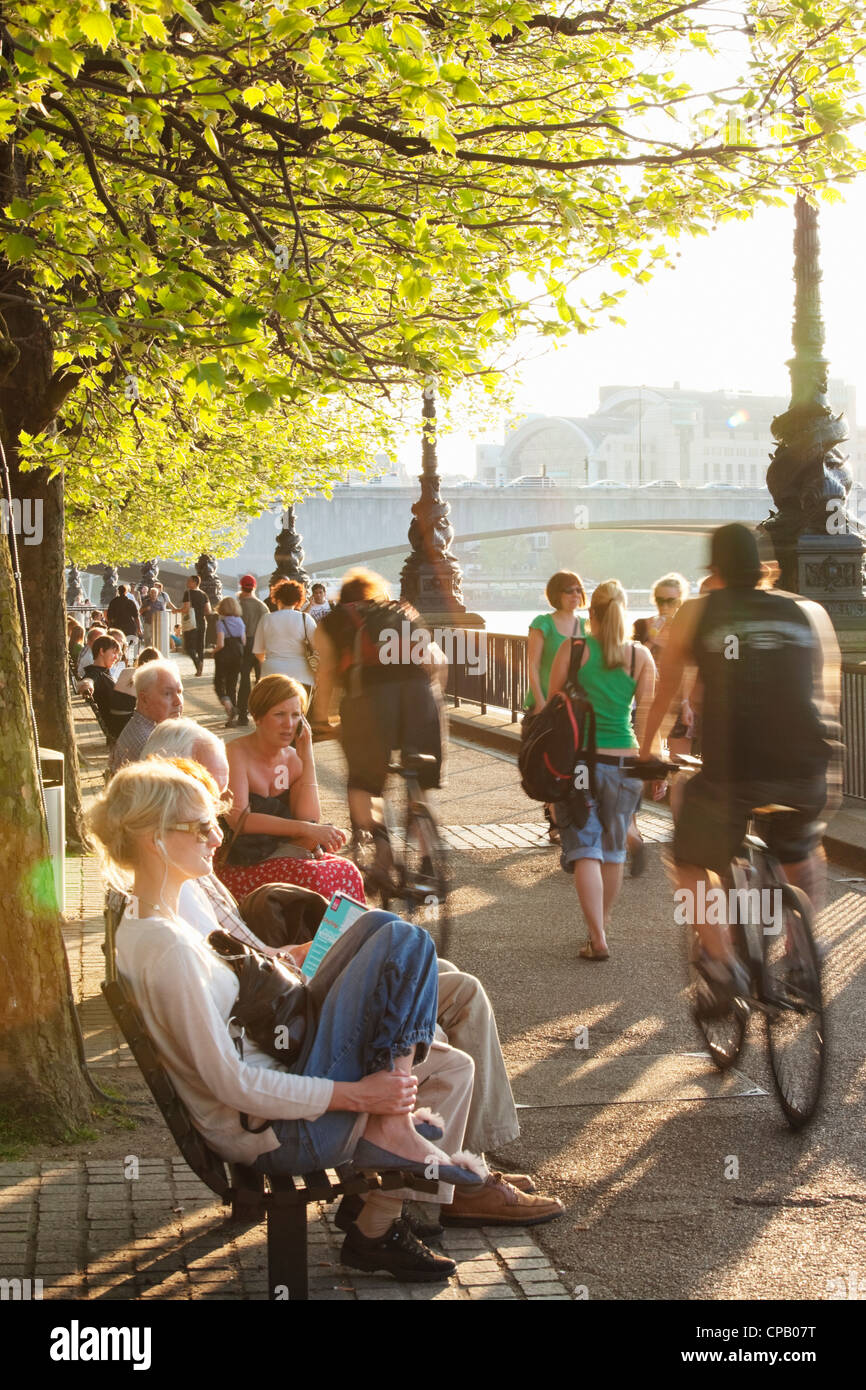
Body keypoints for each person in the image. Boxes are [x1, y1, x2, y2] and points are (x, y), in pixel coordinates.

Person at [143, 717, 564, 1228]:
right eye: (209, 793)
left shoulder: (177, 886)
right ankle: (441, 1181)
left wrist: (293, 955)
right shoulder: (176, 902)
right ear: (168, 799)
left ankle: (474, 1160)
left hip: (282, 999)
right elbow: (233, 1043)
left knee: (449, 980)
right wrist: (356, 1091)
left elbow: (238, 962)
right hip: (283, 1028)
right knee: (407, 956)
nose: (223, 805)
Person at [87, 759, 490, 1280]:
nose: (217, 836)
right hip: (282, 1135)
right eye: (202, 825)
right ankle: (390, 1132)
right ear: (153, 839)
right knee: (403, 939)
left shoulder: (157, 924)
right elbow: (229, 1082)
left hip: (283, 1092)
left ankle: (391, 1136)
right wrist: (359, 1097)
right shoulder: (166, 950)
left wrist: (284, 963)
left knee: (378, 929)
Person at [638, 523, 841, 1016]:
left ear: (714, 570)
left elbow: (664, 691)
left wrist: (647, 754)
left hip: (734, 770)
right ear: (763, 567)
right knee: (800, 844)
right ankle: (802, 954)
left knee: (689, 859)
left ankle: (723, 962)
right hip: (804, 760)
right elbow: (826, 688)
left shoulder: (698, 612)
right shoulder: (803, 611)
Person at [312, 568, 448, 892]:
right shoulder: (401, 612)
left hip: (370, 703)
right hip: (421, 698)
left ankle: (384, 855)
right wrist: (433, 705)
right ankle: (428, 863)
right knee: (419, 778)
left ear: (342, 599)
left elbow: (327, 673)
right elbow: (438, 662)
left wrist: (320, 719)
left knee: (364, 781)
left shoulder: (333, 622)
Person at [547, 579, 657, 961]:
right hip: (624, 761)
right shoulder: (639, 657)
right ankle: (602, 927)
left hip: (579, 762)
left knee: (584, 849)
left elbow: (552, 709)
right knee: (612, 850)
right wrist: (650, 766)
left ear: (590, 614)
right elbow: (647, 719)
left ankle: (597, 936)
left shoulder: (574, 650)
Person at [219, 674, 365, 903]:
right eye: (279, 714)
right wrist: (306, 830)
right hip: (242, 863)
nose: (289, 724)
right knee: (311, 877)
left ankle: (349, 938)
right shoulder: (235, 753)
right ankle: (320, 939)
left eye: (296, 715)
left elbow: (309, 818)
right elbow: (239, 820)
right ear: (257, 717)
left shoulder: (294, 759)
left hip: (286, 854)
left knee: (348, 870)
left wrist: (307, 757)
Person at [524, 570, 587, 844]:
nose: (575, 595)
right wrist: (540, 702)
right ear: (556, 594)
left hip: (573, 708)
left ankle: (567, 817)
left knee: (571, 764)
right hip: (546, 706)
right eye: (569, 590)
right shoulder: (543, 623)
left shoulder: (584, 626)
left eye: (578, 590)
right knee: (548, 763)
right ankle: (555, 823)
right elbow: (533, 665)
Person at [110, 658, 184, 774]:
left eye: (179, 692)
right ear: (144, 699)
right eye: (167, 693)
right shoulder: (149, 745)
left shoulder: (145, 728)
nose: (178, 701)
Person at [253, 579, 316, 694]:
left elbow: (258, 651)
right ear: (298, 600)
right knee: (301, 710)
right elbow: (318, 645)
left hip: (272, 671)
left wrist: (268, 660)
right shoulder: (305, 619)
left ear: (277, 598)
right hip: (301, 673)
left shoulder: (267, 619)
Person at [81, 635, 136, 741]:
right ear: (102, 651)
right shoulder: (95, 673)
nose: (116, 657)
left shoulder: (102, 671)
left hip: (118, 720)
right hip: (118, 725)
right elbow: (90, 679)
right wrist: (88, 684)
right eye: (114, 653)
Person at [236, 575, 269, 727]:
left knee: (244, 679)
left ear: (241, 586)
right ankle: (263, 713)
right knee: (261, 680)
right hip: (261, 643)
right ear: (254, 587)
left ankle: (242, 715)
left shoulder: (237, 606)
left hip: (244, 644)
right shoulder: (262, 606)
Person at [213, 596, 246, 727]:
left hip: (223, 655)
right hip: (237, 655)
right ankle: (232, 717)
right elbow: (244, 641)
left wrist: (213, 651)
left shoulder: (221, 623)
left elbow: (220, 643)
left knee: (218, 682)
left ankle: (227, 703)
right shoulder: (240, 621)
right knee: (232, 685)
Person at [181, 575, 211, 677]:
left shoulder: (187, 593)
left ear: (194, 582)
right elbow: (208, 610)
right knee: (200, 646)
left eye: (189, 581)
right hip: (202, 623)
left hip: (191, 624)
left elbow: (186, 609)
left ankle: (197, 663)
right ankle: (200, 668)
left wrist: (176, 610)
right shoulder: (204, 594)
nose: (187, 582)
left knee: (189, 647)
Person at [106, 584, 143, 662]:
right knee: (134, 642)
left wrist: (109, 627)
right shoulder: (130, 602)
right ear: (126, 592)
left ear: (118, 592)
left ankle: (121, 658)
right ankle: (135, 659)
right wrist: (139, 628)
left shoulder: (113, 602)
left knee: (118, 643)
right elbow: (136, 617)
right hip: (129, 627)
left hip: (117, 627)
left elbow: (109, 617)